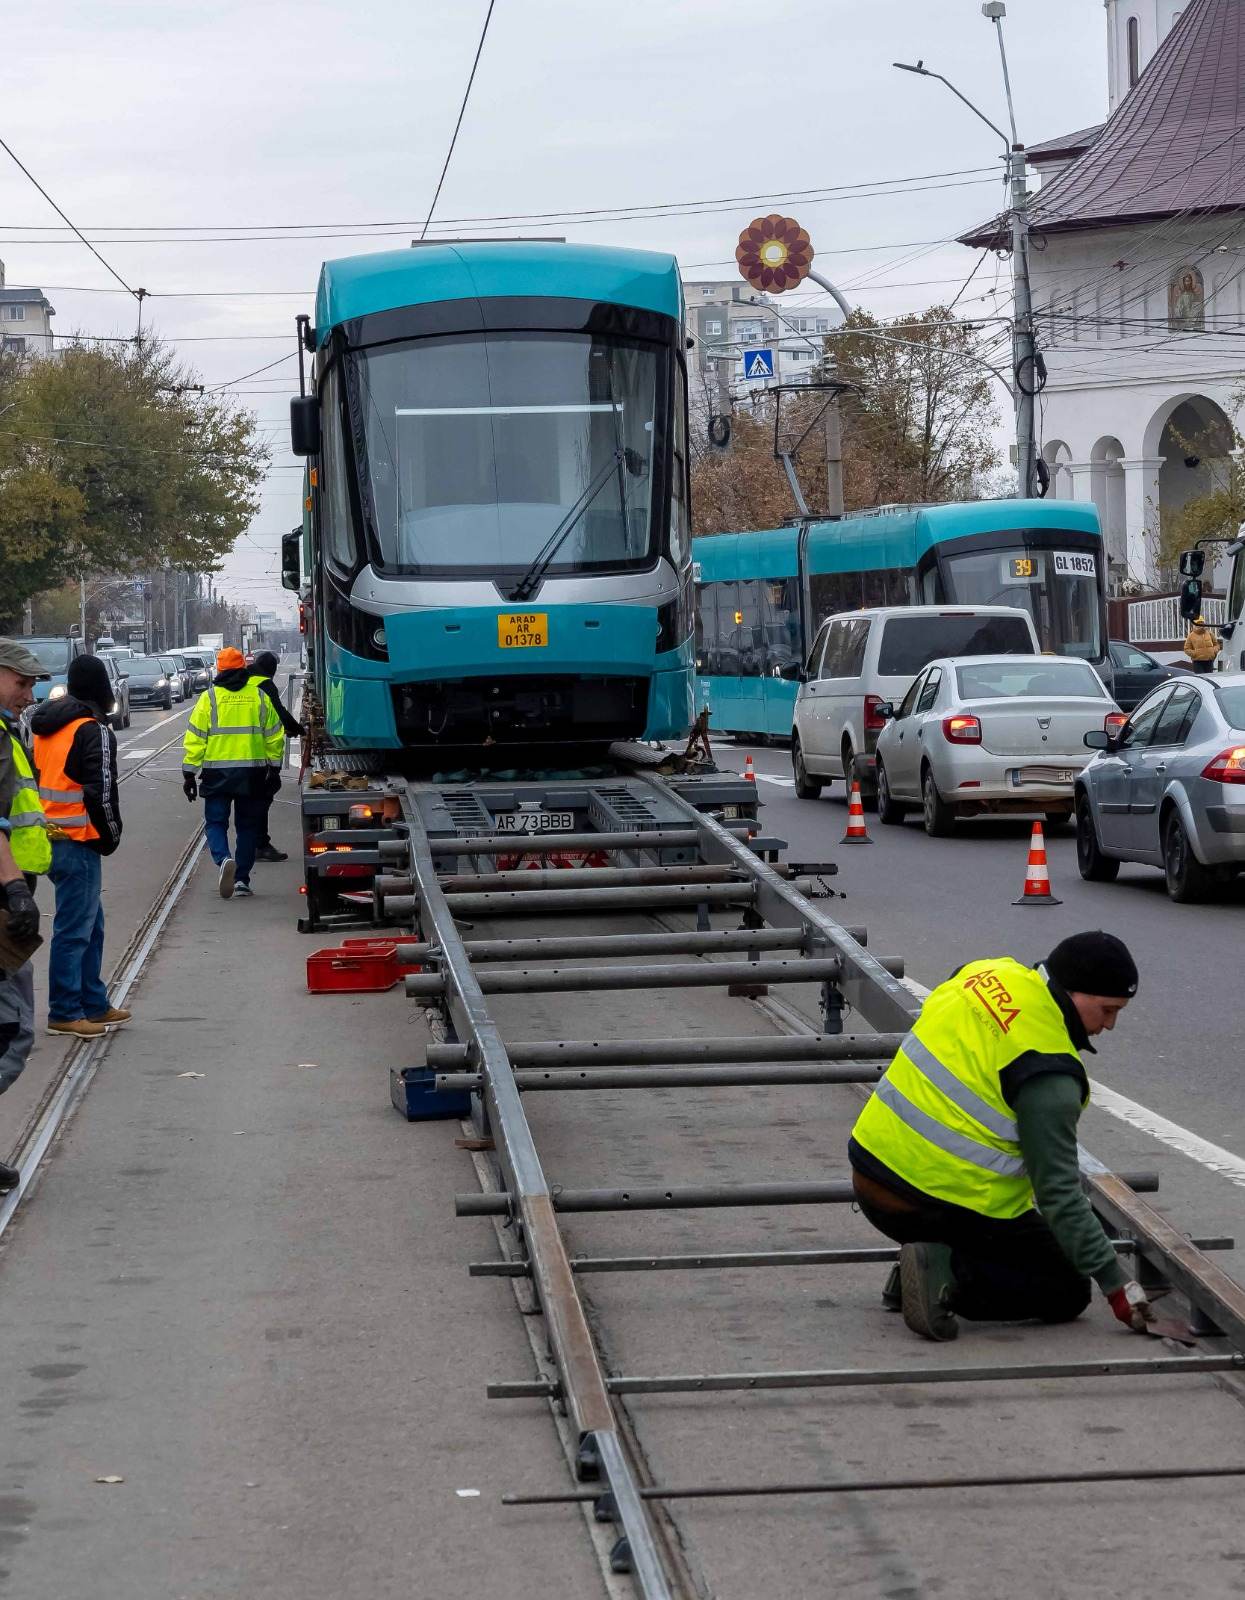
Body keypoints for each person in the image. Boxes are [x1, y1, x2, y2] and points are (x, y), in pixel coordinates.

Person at [849, 932, 1154, 1342]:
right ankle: (946, 1278)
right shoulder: (1049, 1073)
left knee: (1040, 1245)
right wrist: (1119, 1287)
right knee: (1066, 1288)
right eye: (1107, 1009)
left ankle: (921, 1267)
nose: (1110, 1024)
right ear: (1072, 993)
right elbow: (1059, 1194)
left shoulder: (985, 974)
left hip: (869, 1169)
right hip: (932, 1199)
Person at [30, 655, 126, 1040]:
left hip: (47, 836)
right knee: (75, 929)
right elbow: (101, 791)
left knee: (91, 923)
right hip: (78, 839)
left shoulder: (44, 725)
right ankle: (65, 1011)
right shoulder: (93, 730)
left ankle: (94, 1003)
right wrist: (111, 835)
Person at [0, 638, 52, 1187]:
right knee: (10, 1030)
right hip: (2, 903)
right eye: (22, 681)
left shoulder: (11, 732)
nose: (29, 692)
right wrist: (15, 888)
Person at [182, 647, 284, 900]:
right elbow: (274, 735)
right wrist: (275, 766)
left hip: (217, 774)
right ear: (242, 669)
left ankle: (223, 859)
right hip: (253, 774)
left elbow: (195, 739)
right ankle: (241, 880)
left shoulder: (209, 699)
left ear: (219, 670)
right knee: (248, 827)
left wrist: (188, 774)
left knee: (216, 822)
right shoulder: (259, 696)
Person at [245, 650, 302, 863]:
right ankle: (260, 844)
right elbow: (279, 713)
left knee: (243, 802)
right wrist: (298, 728)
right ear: (271, 670)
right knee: (264, 796)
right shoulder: (265, 685)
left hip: (232, 755)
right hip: (259, 755)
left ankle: (244, 846)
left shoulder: (241, 680)